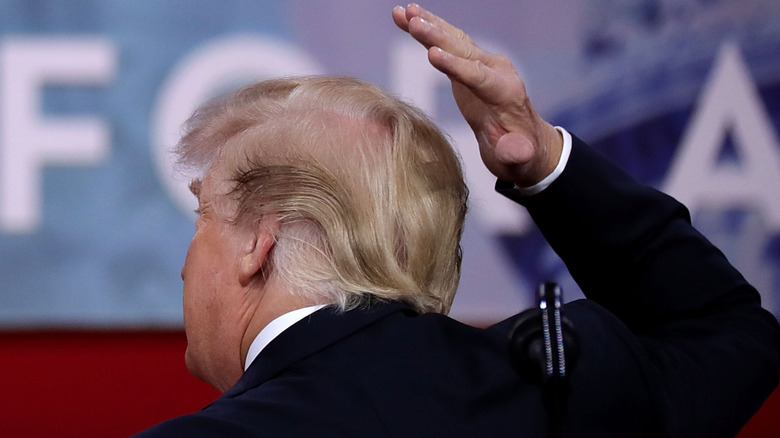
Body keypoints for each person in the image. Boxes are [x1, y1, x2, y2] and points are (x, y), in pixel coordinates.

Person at [135, 4, 780, 437]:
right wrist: (546, 165)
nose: (189, 259)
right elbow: (727, 328)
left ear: (257, 241)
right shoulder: (571, 387)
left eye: (202, 216)